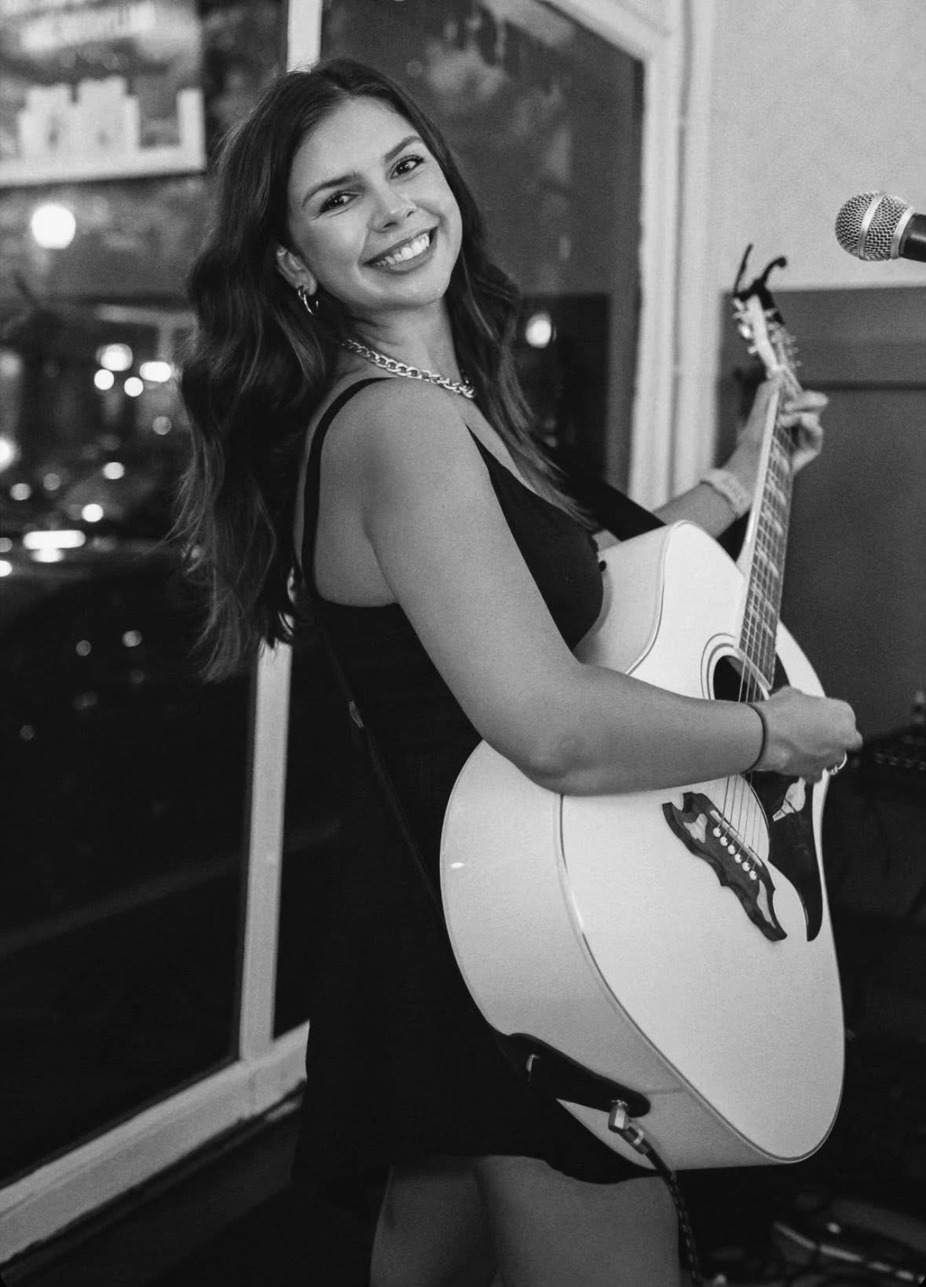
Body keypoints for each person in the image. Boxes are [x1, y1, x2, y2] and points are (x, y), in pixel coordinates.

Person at [177, 57, 861, 1287]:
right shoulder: (399, 425)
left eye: (404, 165)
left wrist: (740, 475)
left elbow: (585, 584)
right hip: (501, 934)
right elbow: (550, 721)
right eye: (337, 198)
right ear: (290, 263)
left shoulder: (440, 399)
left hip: (466, 905)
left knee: (432, 1257)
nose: (392, 209)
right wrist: (775, 737)